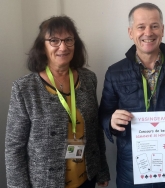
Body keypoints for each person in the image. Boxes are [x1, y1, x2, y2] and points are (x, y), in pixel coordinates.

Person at [99, 2, 165, 188]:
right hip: (131, 174)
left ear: (162, 30)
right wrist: (111, 122)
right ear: (131, 32)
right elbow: (103, 115)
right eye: (141, 27)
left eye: (154, 26)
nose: (148, 33)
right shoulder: (115, 72)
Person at [5, 16, 110, 188]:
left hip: (86, 179)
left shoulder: (88, 79)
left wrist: (102, 170)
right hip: (46, 182)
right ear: (42, 46)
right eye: (54, 40)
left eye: (68, 40)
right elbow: (14, 147)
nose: (63, 47)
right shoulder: (24, 88)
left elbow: (95, 129)